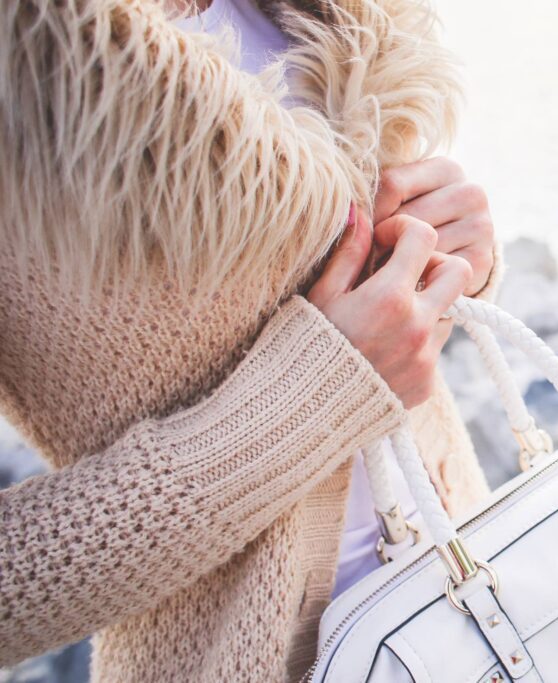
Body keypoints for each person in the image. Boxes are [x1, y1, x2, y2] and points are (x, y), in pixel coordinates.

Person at [0, 0, 499, 680]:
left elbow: (389, 312)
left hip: (481, 594)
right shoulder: (23, 57)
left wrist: (454, 258)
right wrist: (311, 404)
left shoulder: (325, 12)